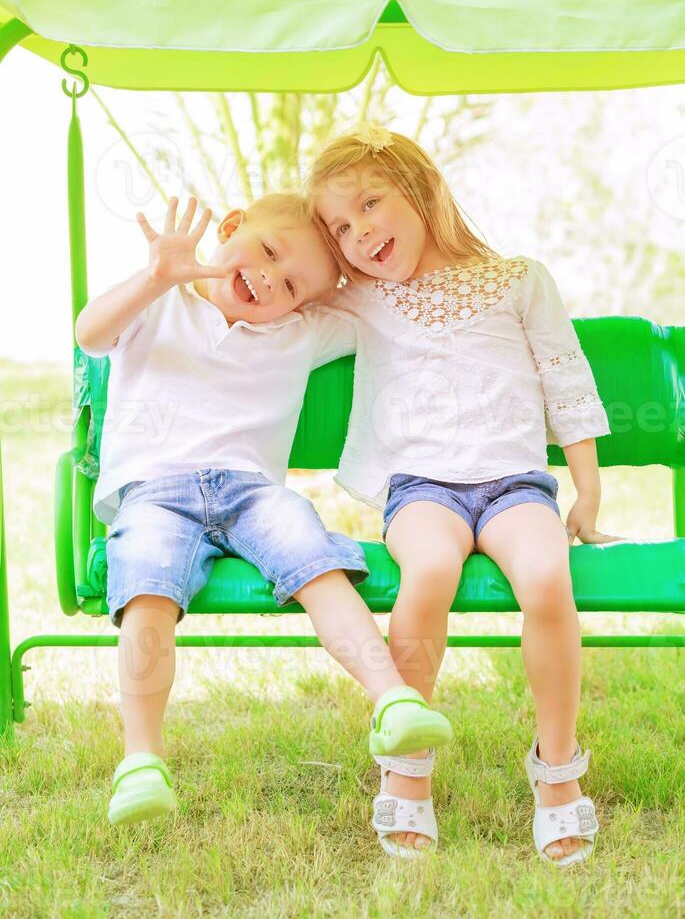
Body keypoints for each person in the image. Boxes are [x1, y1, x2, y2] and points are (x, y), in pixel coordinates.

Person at [75, 191, 454, 827]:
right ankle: (141, 760)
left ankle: (392, 699)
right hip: (155, 491)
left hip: (253, 492)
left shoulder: (301, 331)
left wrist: (342, 267)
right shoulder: (161, 301)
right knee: (147, 584)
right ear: (228, 228)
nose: (268, 280)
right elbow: (91, 333)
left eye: (292, 284)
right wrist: (156, 274)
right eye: (268, 252)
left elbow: (386, 304)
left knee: (312, 557)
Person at [306, 124, 618, 864]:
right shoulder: (363, 299)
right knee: (429, 574)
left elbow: (565, 381)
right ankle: (406, 770)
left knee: (546, 578)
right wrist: (237, 250)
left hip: (515, 484)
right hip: (423, 490)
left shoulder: (518, 279)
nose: (359, 234)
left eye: (370, 204)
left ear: (420, 188)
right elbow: (278, 297)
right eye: (340, 228)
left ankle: (556, 771)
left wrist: (586, 493)